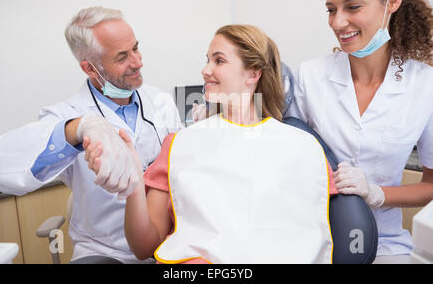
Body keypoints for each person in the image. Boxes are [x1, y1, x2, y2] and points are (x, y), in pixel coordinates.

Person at [84, 25, 339, 264]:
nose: (205, 70)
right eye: (206, 60)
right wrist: (135, 187)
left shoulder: (302, 147)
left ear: (253, 73)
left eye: (219, 60)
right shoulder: (179, 146)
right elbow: (143, 248)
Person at [0, 6, 183, 263]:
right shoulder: (67, 115)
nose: (138, 61)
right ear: (90, 69)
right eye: (122, 57)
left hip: (166, 244)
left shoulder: (162, 103)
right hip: (105, 252)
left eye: (136, 48)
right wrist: (78, 129)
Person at [287, 0, 433, 264]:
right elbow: (288, 158)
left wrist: (378, 193)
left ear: (392, 0)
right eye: (331, 9)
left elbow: (429, 187)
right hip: (313, 236)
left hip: (386, 244)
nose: (338, 22)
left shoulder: (425, 86)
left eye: (352, 7)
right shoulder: (310, 77)